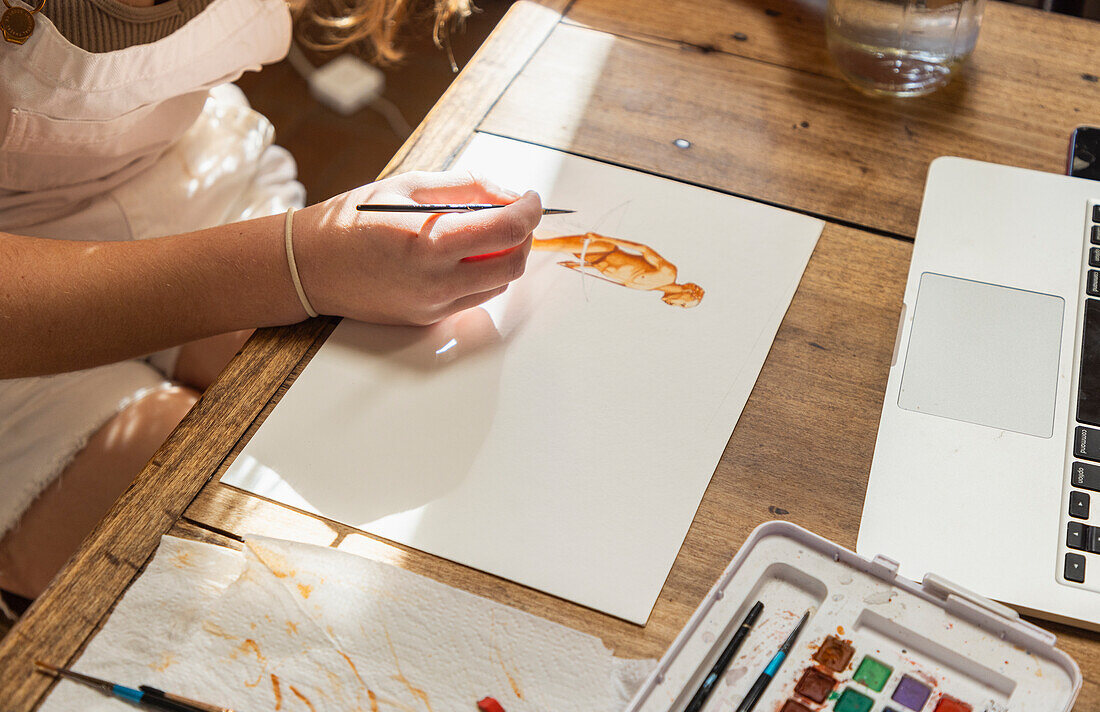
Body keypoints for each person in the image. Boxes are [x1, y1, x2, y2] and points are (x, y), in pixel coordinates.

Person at [0, 0, 541, 611]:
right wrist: (296, 264)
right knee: (270, 582)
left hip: (184, 175)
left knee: (412, 410)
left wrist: (306, 264)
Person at [532, 233, 704, 307]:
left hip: (589, 258)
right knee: (536, 245)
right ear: (687, 292)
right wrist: (602, 238)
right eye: (683, 303)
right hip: (602, 248)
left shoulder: (647, 288)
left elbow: (616, 272)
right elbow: (643, 249)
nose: (677, 305)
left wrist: (578, 266)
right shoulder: (668, 273)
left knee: (538, 246)